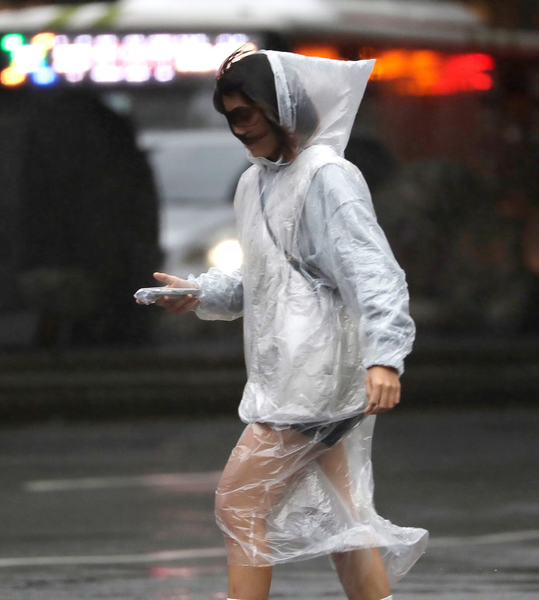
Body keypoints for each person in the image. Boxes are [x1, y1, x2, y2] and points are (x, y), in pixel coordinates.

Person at [140, 45, 427, 600]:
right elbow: (266, 279)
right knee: (346, 522)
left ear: (281, 107)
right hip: (288, 378)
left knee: (239, 502)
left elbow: (374, 273)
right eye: (230, 118)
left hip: (312, 384)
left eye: (246, 114)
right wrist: (201, 293)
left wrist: (385, 357)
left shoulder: (328, 178)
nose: (239, 130)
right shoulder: (256, 182)